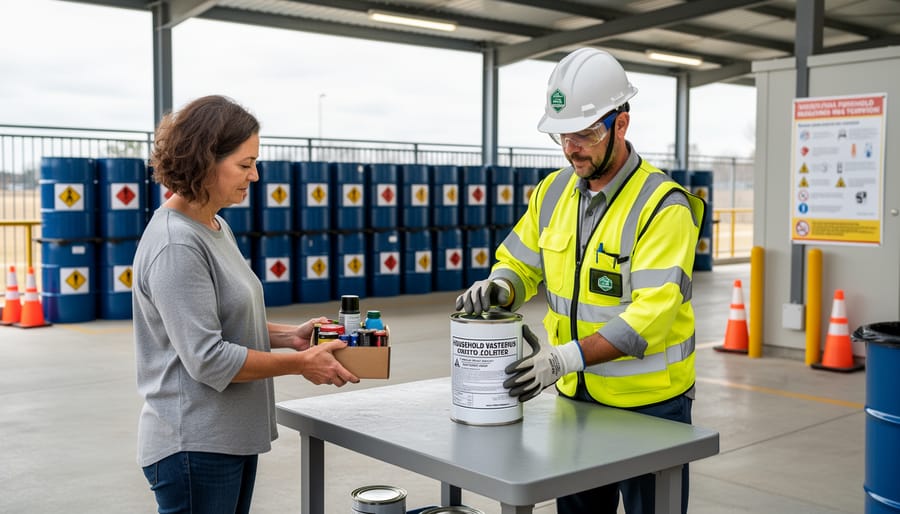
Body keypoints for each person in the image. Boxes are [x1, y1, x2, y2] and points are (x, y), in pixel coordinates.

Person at [455, 48, 705, 514]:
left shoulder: (662, 206)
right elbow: (521, 262)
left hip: (650, 406)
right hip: (577, 401)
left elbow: (650, 316)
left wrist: (563, 359)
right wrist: (500, 286)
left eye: (586, 134)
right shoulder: (552, 193)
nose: (572, 148)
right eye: (562, 134)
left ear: (621, 124)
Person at [133, 94, 359, 514]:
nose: (254, 176)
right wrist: (303, 363)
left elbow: (219, 321)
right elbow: (208, 358)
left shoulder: (214, 227)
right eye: (244, 164)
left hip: (225, 437)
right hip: (194, 446)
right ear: (203, 161)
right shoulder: (176, 244)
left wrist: (291, 337)